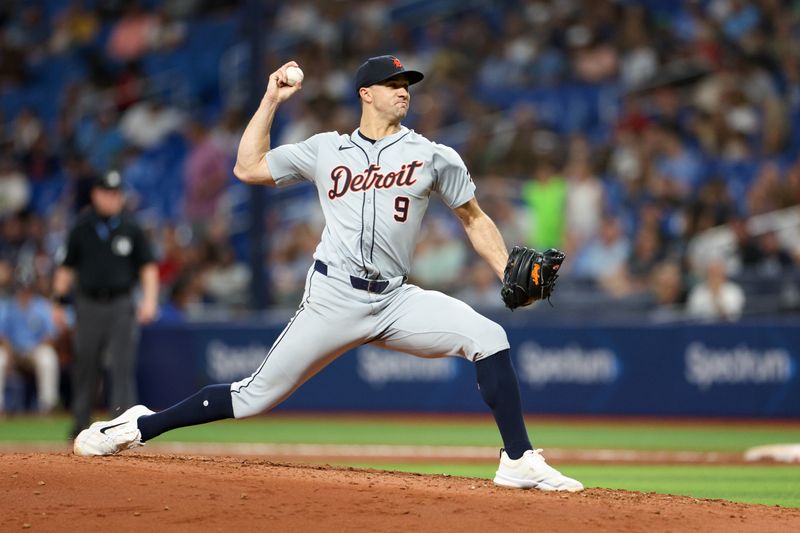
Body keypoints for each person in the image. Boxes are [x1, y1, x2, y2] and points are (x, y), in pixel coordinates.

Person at [73, 56, 583, 492]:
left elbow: (473, 217)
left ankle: (517, 460)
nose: (404, 92)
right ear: (366, 93)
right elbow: (247, 168)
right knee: (254, 397)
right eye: (394, 85)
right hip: (333, 296)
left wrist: (503, 271)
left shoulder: (432, 154)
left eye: (408, 86)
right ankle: (139, 425)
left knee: (488, 335)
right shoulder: (326, 149)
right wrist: (271, 98)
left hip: (396, 299)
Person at [52, 170, 158, 438]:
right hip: (87, 304)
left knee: (122, 366)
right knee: (86, 365)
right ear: (95, 194)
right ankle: (80, 424)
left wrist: (150, 300)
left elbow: (148, 267)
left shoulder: (131, 227)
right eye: (108, 193)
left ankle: (123, 428)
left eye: (117, 194)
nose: (113, 198)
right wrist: (57, 303)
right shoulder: (81, 227)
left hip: (121, 303)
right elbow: (65, 268)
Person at [0, 268, 59, 414]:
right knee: (0, 358)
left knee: (48, 357)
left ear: (32, 288)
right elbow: (3, 334)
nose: (24, 291)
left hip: (34, 350)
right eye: (21, 287)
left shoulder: (41, 306)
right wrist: (9, 353)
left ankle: (47, 405)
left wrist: (35, 348)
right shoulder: (8, 306)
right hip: (13, 351)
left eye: (27, 287)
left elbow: (51, 334)